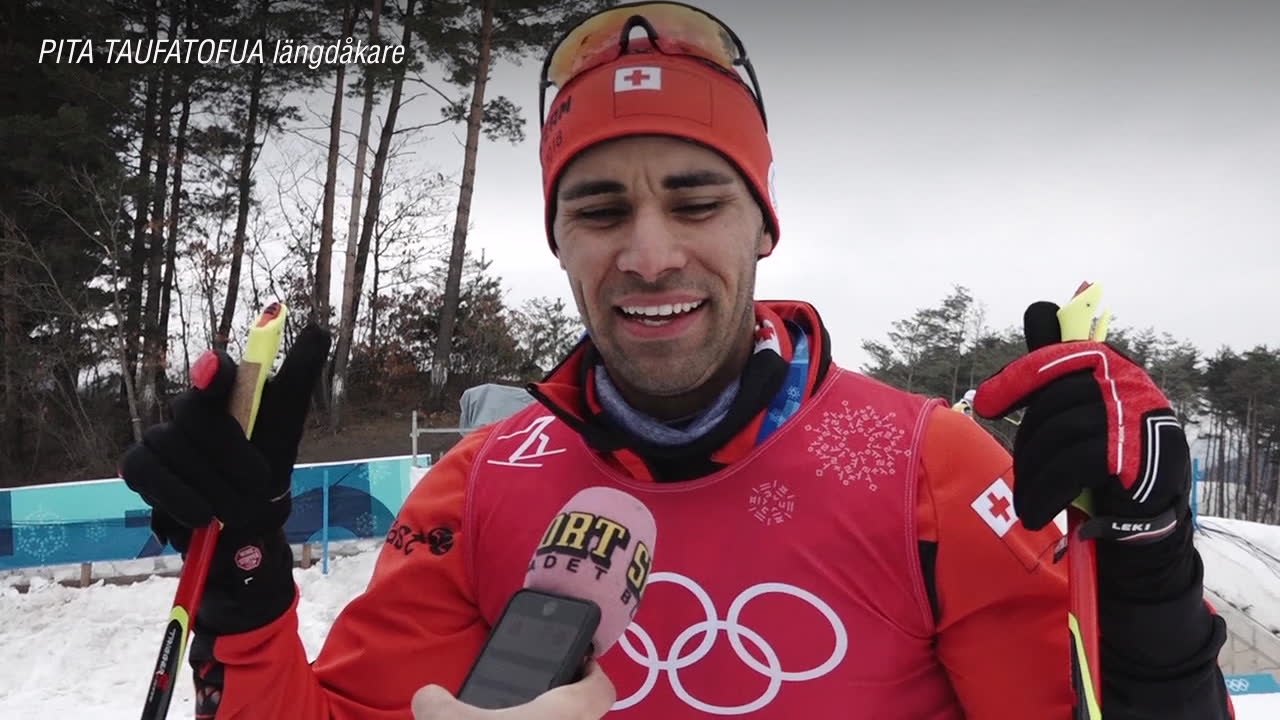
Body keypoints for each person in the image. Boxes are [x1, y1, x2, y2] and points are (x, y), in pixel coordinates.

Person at [120, 2, 1235, 718]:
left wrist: (1143, 562)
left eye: (695, 201)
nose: (648, 255)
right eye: (599, 211)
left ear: (762, 227)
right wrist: (248, 598)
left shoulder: (926, 467)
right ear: (558, 243)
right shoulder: (482, 482)